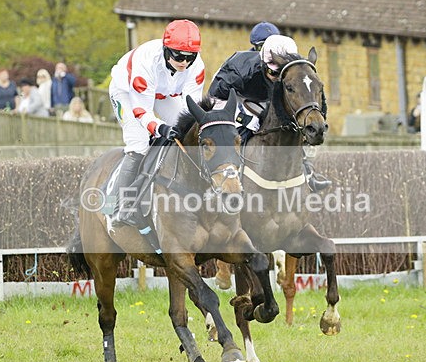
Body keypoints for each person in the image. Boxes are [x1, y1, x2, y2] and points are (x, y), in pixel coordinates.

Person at [108, 19, 206, 225]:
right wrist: (160, 128)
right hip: (127, 93)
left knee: (188, 133)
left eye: (191, 57)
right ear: (166, 49)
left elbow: (192, 110)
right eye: (179, 56)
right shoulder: (146, 62)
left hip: (165, 94)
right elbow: (141, 110)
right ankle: (114, 206)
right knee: (139, 144)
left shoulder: (197, 68)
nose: (184, 62)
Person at [208, 33, 331, 191]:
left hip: (267, 97)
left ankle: (308, 172)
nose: (276, 78)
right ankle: (229, 175)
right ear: (263, 64)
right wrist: (244, 119)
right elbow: (214, 101)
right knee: (245, 128)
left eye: (280, 75)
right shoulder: (241, 71)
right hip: (232, 97)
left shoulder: (295, 67)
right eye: (273, 73)